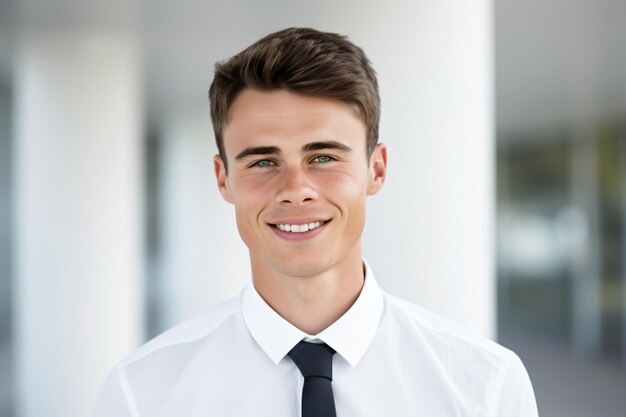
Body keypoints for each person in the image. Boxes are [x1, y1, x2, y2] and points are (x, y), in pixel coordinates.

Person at [93, 27, 538, 417]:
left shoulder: (486, 388)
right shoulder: (143, 394)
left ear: (376, 169)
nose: (296, 187)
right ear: (223, 178)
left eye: (323, 156)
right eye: (264, 161)